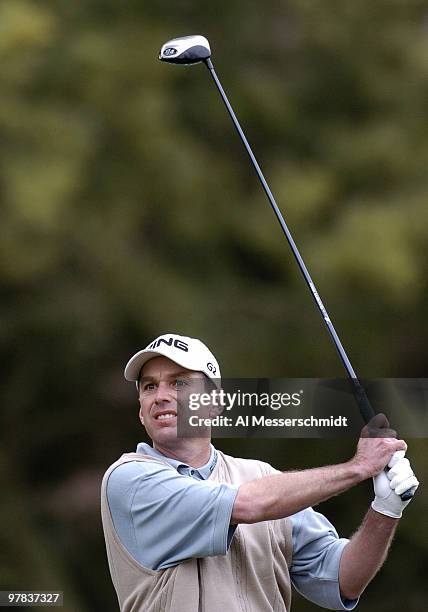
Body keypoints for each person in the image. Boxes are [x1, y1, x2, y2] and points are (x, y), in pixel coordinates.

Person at [101, 333, 419, 612]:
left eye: (179, 382)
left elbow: (343, 579)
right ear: (141, 410)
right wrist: (358, 468)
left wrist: (386, 510)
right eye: (149, 387)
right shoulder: (129, 480)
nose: (160, 396)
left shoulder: (261, 478)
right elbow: (247, 505)